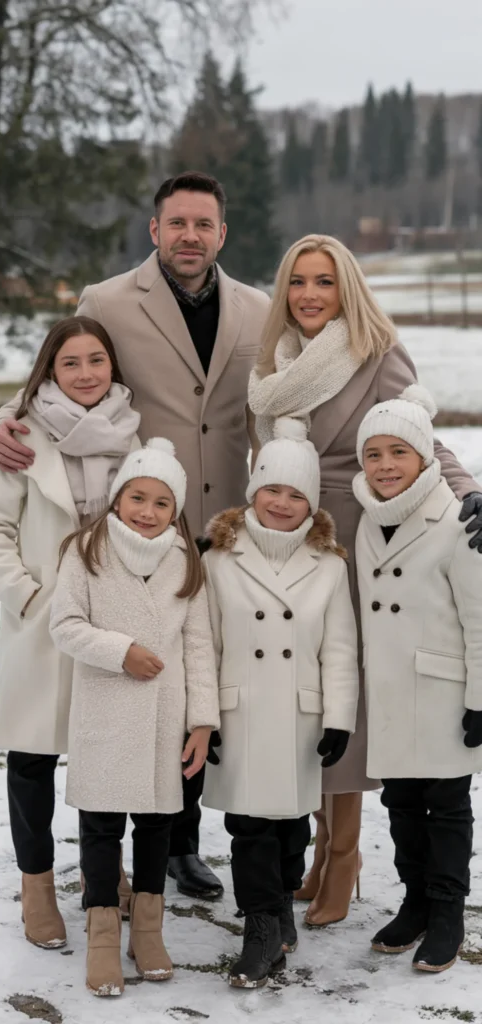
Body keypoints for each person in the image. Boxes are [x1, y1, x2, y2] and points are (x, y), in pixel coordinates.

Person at [0, 171, 269, 900]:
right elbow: (63, 375)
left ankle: (179, 847)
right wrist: (1, 420)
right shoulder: (109, 302)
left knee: (181, 699)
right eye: (175, 223)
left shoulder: (256, 309)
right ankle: (102, 858)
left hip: (222, 531)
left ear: (221, 233)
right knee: (114, 704)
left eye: (202, 224)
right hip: (135, 531)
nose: (188, 235)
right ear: (155, 230)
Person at [248, 234, 482, 927]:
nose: (311, 294)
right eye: (298, 282)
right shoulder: (273, 365)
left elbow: (420, 438)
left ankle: (343, 856)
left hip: (358, 539)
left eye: (324, 281)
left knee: (345, 699)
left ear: (346, 288)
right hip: (294, 540)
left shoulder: (376, 350)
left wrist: (470, 491)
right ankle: (321, 853)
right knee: (310, 698)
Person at [50, 438, 220, 997]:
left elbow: (198, 645)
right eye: (137, 497)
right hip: (106, 704)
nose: (147, 512)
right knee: (101, 826)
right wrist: (120, 650)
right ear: (118, 497)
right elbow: (66, 626)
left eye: (161, 503)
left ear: (177, 511)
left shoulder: (184, 560)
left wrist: (202, 721)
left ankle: (147, 931)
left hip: (165, 717)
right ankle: (102, 936)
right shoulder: (85, 551)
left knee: (155, 826)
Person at [0, 315, 140, 950]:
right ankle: (37, 885)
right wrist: (26, 595)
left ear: (113, 366)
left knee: (104, 758)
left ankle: (103, 875)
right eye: (71, 363)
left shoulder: (136, 434)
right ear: (50, 369)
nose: (85, 374)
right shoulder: (19, 432)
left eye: (97, 361)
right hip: (41, 622)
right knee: (32, 759)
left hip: (111, 618)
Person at [201, 418, 359, 988]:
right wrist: (204, 716)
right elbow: (204, 645)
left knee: (292, 826)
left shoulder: (330, 565)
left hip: (299, 714)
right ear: (253, 490)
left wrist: (339, 718)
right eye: (272, 488)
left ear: (312, 503)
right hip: (240, 711)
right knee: (249, 827)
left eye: (297, 494)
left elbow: (340, 649)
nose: (282, 503)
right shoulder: (218, 559)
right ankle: (260, 928)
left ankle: (280, 906)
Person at [353, 385, 482, 973]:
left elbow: (480, 622)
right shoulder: (364, 517)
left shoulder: (459, 521)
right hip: (387, 688)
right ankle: (414, 900)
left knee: (447, 804)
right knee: (402, 803)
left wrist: (480, 699)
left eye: (398, 452)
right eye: (373, 454)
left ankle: (448, 910)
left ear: (427, 456)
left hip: (441, 691)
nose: (384, 466)